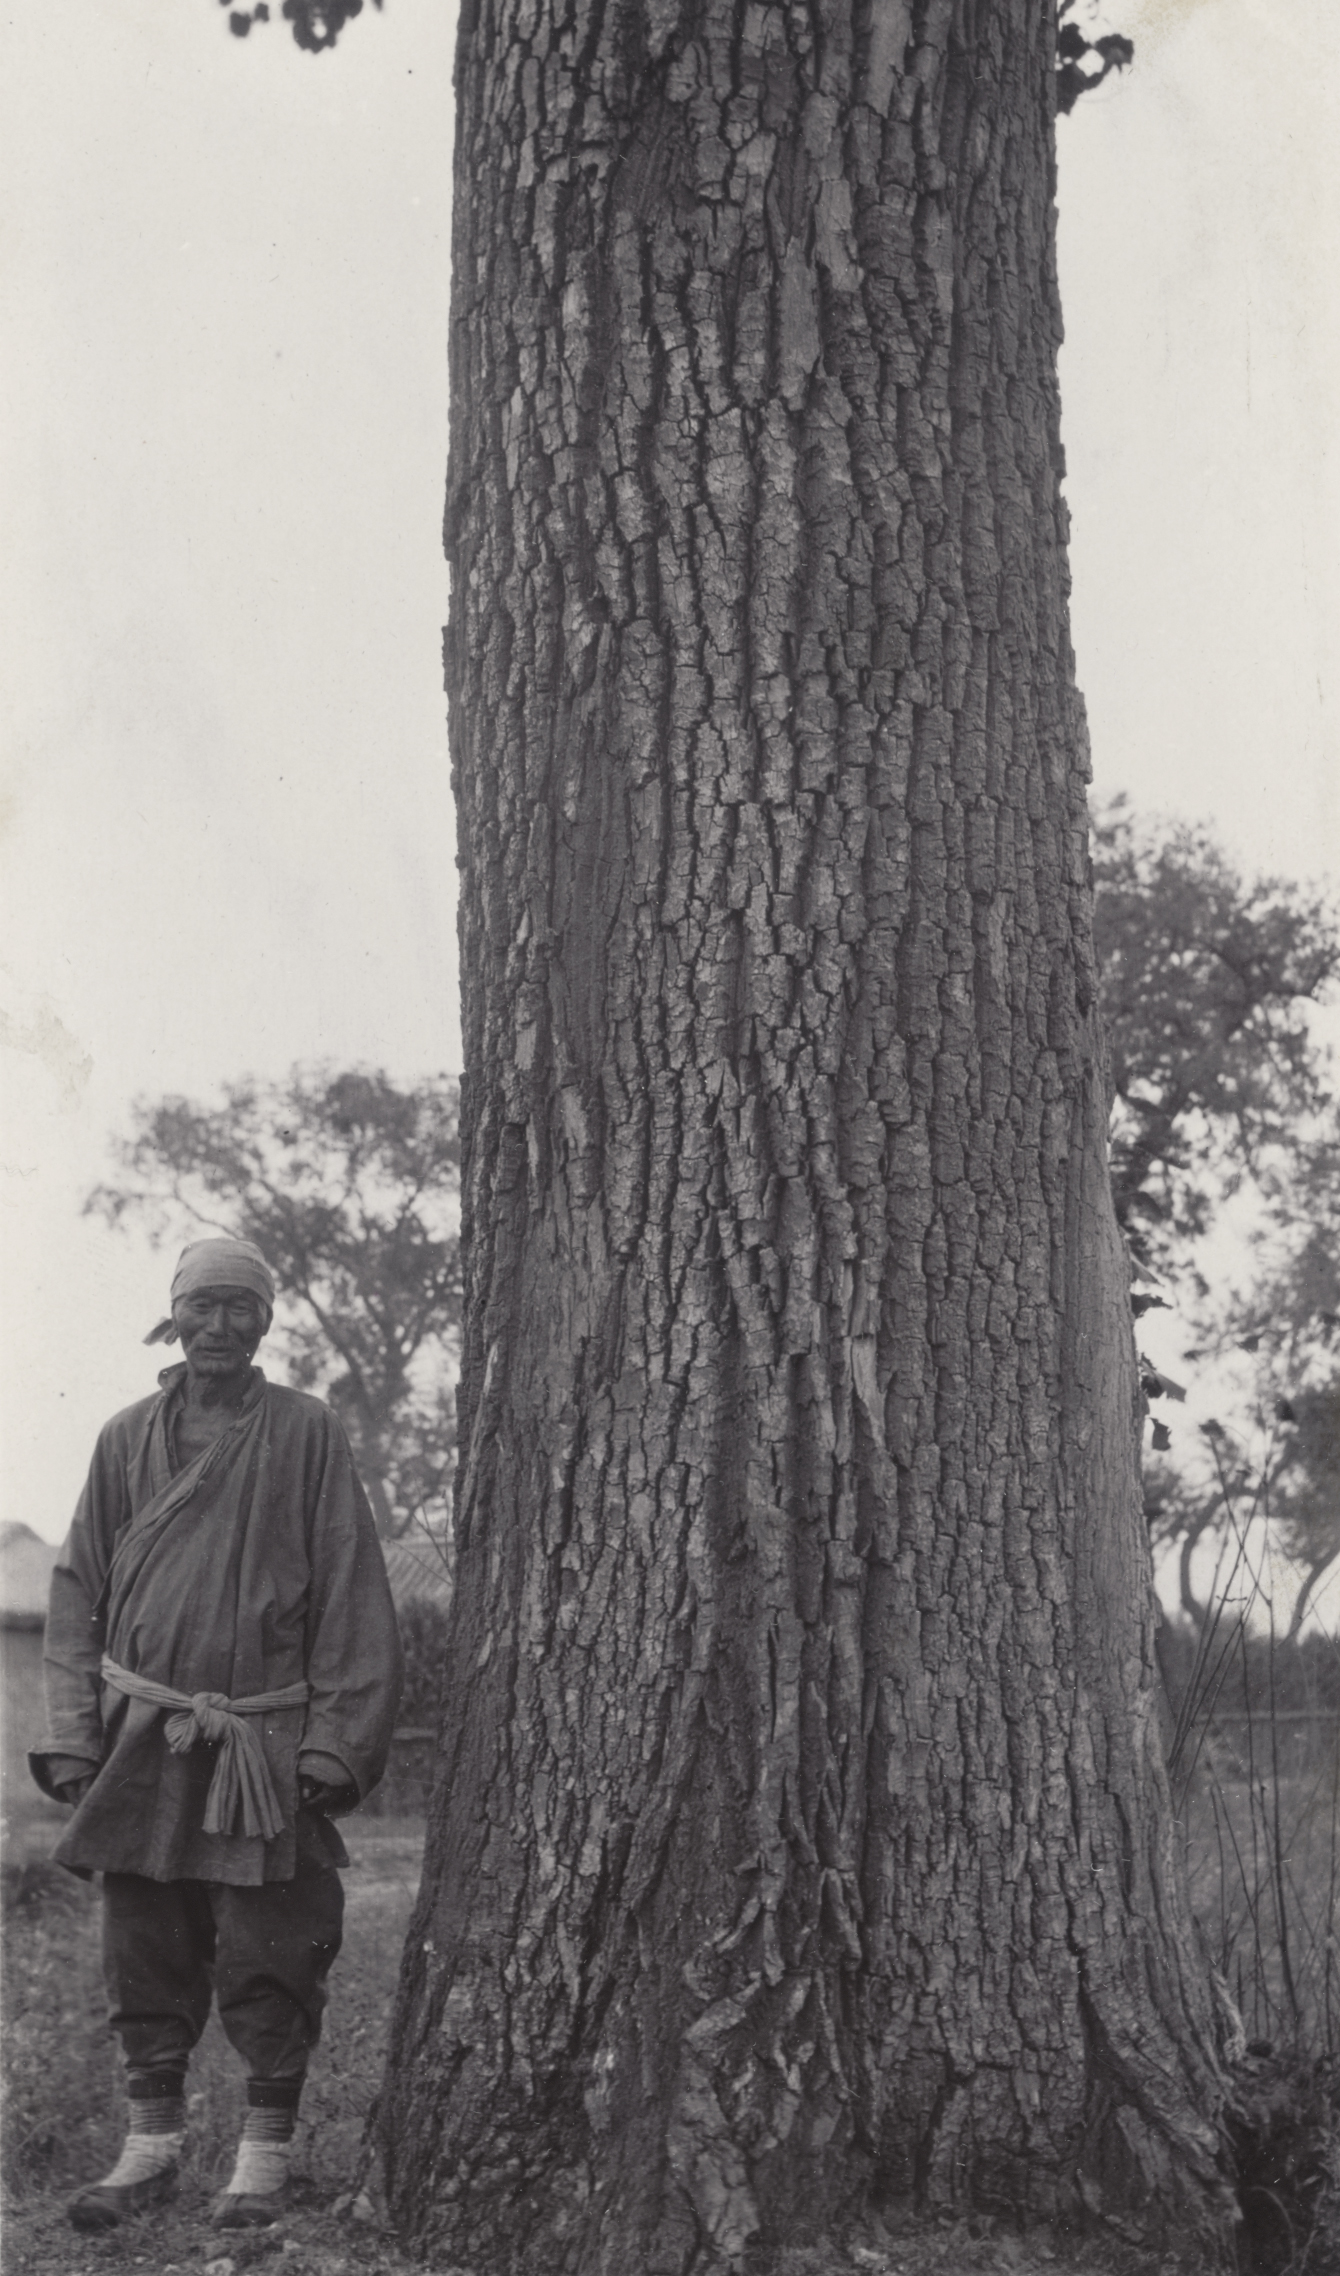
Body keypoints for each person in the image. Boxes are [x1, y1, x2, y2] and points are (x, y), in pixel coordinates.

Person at [29, 1236, 404, 2235]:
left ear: (268, 1320)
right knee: (143, 1939)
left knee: (269, 1945)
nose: (220, 1325)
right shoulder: (122, 1439)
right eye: (203, 1306)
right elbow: (76, 1595)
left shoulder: (306, 1432)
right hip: (140, 1741)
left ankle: (260, 2160)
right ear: (174, 1314)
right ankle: (147, 2151)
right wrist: (74, 1740)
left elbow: (352, 1592)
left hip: (262, 1743)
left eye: (241, 1306)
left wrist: (334, 1743)